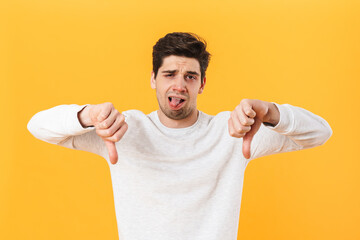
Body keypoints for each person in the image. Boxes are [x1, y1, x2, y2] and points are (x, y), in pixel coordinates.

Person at [27, 32, 332, 240]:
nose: (179, 85)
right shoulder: (122, 130)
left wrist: (271, 112)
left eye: (190, 76)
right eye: (169, 74)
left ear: (201, 85)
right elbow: (37, 126)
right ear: (153, 79)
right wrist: (86, 115)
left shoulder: (234, 132)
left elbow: (320, 133)